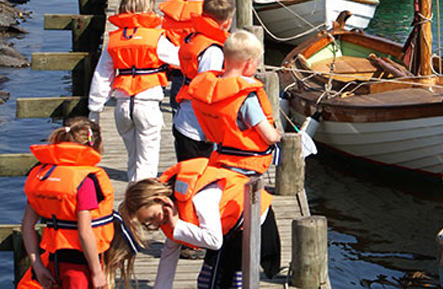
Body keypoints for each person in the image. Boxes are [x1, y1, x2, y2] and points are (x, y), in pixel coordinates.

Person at [112, 158, 281, 289]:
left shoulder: (200, 197)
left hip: (252, 222)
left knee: (223, 282)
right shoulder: (168, 211)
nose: (155, 224)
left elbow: (214, 241)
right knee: (207, 279)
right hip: (225, 227)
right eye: (148, 223)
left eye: (152, 218)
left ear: (161, 200)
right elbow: (169, 254)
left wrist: (178, 225)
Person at [88, 0, 179, 182]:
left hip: (123, 106)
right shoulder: (156, 39)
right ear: (149, 11)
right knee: (147, 160)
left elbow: (102, 76)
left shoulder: (114, 41)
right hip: (147, 104)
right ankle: (141, 200)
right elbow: (181, 59)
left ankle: (133, 189)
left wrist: (95, 109)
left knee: (133, 158)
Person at [20, 118, 113, 289]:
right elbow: (85, 232)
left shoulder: (42, 177)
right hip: (81, 266)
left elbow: (26, 226)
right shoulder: (85, 180)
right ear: (94, 146)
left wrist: (38, 267)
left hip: (54, 262)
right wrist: (96, 272)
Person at [188, 30, 282, 176]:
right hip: (247, 165)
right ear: (249, 64)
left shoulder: (208, 90)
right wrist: (277, 136)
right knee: (248, 198)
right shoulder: (245, 97)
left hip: (221, 159)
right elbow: (269, 137)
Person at [172, 0, 235, 162]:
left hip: (184, 117)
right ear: (227, 22)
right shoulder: (212, 50)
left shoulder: (194, 38)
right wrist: (211, 129)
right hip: (198, 127)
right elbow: (207, 91)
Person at [159, 0, 213, 112]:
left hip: (178, 66)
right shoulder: (207, 12)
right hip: (200, 66)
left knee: (177, 105)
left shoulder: (171, 13)